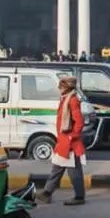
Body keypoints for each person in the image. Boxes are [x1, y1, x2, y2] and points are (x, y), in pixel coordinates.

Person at [36, 75, 87, 206]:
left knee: (73, 172)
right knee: (58, 168)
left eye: (61, 87)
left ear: (66, 88)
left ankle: (78, 196)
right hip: (64, 141)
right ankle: (47, 193)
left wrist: (72, 136)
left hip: (69, 143)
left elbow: (79, 122)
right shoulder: (66, 99)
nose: (59, 89)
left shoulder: (72, 100)